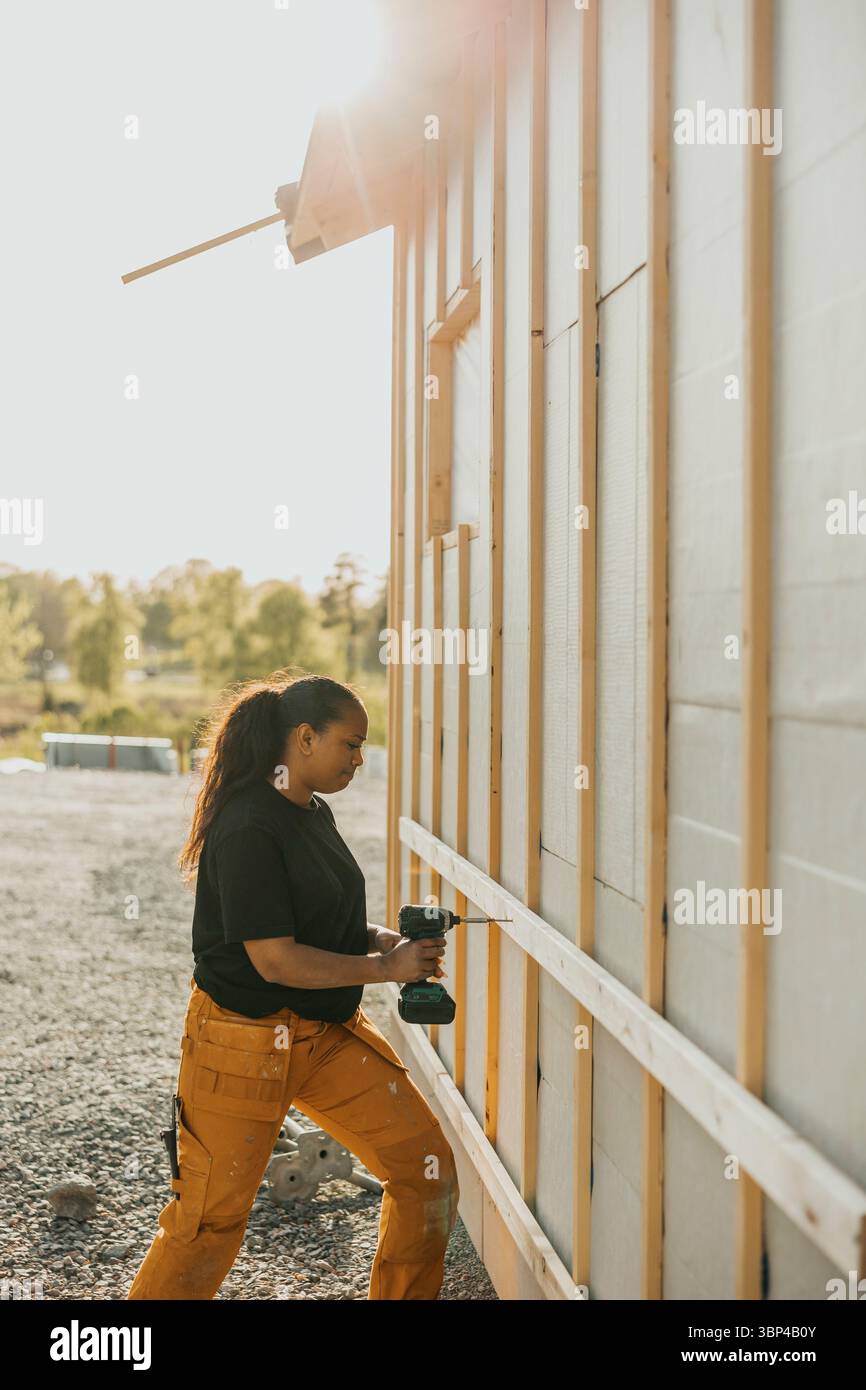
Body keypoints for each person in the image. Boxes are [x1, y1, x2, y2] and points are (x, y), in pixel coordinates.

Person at [126, 672, 459, 1300]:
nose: (360, 760)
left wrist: (379, 940)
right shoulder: (250, 825)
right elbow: (276, 958)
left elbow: (316, 920)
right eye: (351, 744)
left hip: (324, 1038)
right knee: (207, 1223)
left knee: (425, 1171)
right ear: (304, 738)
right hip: (242, 1045)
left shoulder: (310, 809)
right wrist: (388, 971)